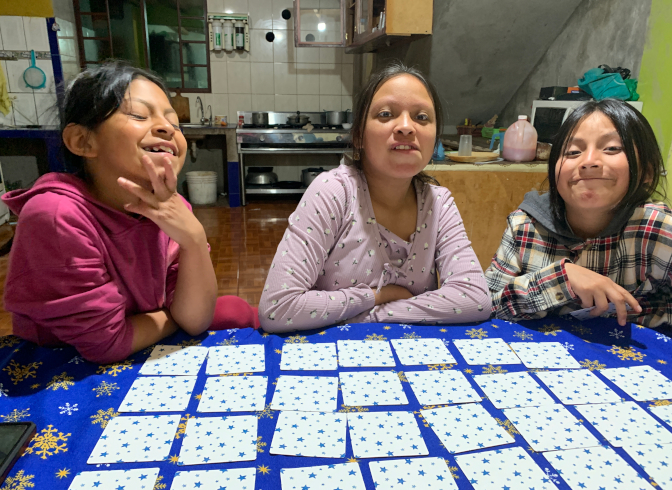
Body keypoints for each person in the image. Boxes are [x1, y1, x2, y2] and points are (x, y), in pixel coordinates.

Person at [2, 61, 258, 364]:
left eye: (175, 124)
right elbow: (107, 343)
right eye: (138, 115)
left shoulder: (170, 207)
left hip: (143, 338)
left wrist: (193, 237)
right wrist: (174, 316)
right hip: (64, 363)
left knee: (235, 309)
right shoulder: (56, 214)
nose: (166, 128)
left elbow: (196, 318)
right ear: (82, 141)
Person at [258, 62, 491, 332]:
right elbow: (277, 309)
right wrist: (376, 295)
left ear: (435, 137)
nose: (406, 127)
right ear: (359, 135)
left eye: (422, 117)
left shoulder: (439, 203)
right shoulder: (334, 192)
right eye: (385, 114)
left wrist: (371, 315)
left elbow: (475, 298)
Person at [486, 99, 671, 328]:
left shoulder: (659, 228)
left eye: (612, 148)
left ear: (647, 172)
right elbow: (485, 304)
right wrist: (560, 280)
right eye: (573, 152)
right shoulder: (524, 225)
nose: (589, 162)